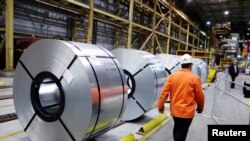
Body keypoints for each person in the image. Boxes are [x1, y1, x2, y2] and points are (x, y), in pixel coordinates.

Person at [158, 54, 205, 141]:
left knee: (178, 130)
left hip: (175, 112)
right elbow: (200, 96)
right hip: (187, 113)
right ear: (190, 65)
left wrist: (161, 106)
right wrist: (200, 107)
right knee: (180, 134)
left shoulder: (172, 77)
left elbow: (164, 93)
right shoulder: (194, 78)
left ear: (181, 64)